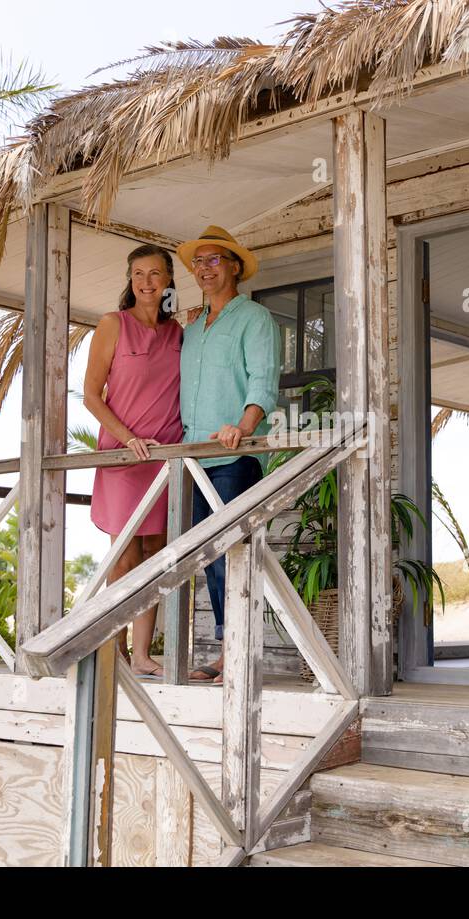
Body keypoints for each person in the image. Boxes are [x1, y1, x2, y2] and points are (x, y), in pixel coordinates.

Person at [175, 226, 281, 683]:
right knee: (210, 560)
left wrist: (243, 426)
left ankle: (241, 655)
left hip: (235, 460)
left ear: (235, 266)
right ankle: (226, 652)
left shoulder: (255, 319)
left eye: (214, 260)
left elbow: (263, 381)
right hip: (195, 461)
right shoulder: (193, 329)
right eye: (198, 262)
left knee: (236, 555)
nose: (204, 269)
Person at [84, 244, 184, 679]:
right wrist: (128, 439)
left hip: (165, 460)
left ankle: (142, 655)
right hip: (124, 457)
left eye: (156, 274)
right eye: (139, 274)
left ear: (168, 282)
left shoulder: (178, 332)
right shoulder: (112, 325)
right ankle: (115, 647)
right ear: (130, 280)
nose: (147, 282)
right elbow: (91, 395)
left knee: (156, 554)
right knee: (123, 557)